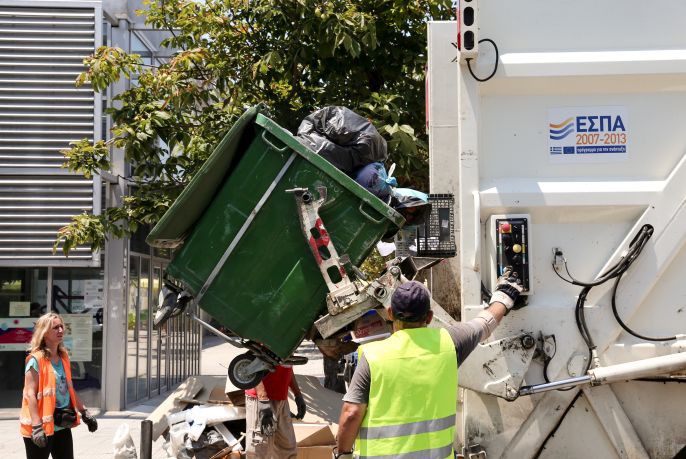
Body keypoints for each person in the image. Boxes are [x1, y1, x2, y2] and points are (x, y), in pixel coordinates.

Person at [333, 271, 523, 459]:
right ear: (430, 317)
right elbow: (485, 324)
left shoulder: (372, 356)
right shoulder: (450, 343)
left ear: (390, 313)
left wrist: (343, 454)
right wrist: (505, 294)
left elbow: (351, 413)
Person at [20, 312, 98, 459]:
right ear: (44, 333)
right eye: (55, 328)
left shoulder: (63, 357)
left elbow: (69, 388)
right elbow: (29, 394)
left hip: (61, 423)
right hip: (40, 427)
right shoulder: (35, 360)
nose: (61, 330)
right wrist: (37, 427)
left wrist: (84, 412)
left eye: (61, 326)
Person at [244, 364, 308, 458]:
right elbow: (252, 364)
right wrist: (263, 400)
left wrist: (297, 394)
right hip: (261, 400)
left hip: (281, 399)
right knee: (259, 451)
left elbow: (287, 365)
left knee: (287, 450)